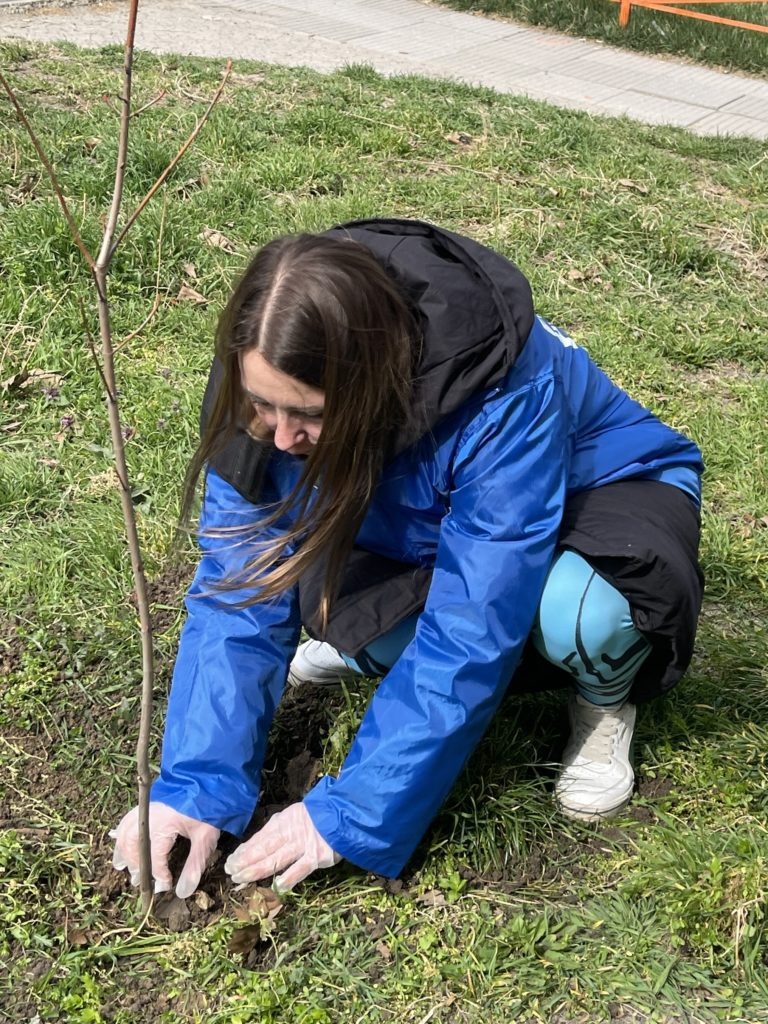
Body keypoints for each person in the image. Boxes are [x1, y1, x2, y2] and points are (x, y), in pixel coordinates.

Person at [111, 218, 704, 899]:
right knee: (324, 599)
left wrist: (352, 815)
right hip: (427, 516)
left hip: (602, 492)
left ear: (371, 383)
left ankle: (605, 700)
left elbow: (473, 620)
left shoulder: (500, 392)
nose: (279, 436)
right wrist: (195, 784)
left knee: (584, 614)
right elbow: (239, 584)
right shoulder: (268, 365)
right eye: (261, 406)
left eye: (305, 414)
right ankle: (384, 656)